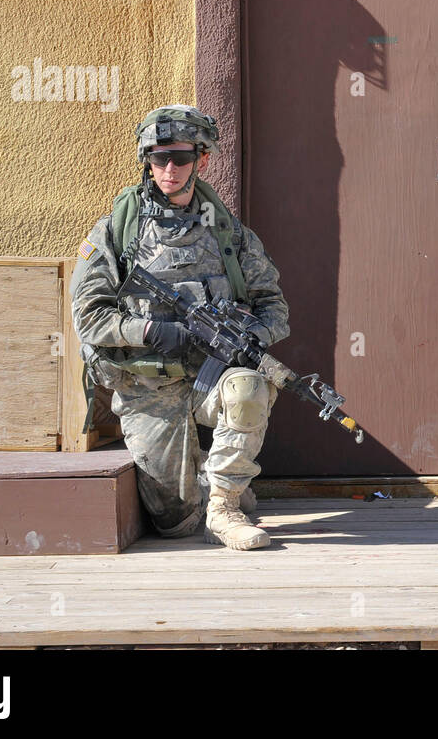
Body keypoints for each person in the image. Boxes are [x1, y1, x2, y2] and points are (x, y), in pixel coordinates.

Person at [71, 106, 290, 549]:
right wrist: (151, 332)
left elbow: (275, 308)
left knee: (249, 388)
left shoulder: (228, 233)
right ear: (147, 161)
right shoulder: (118, 231)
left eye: (181, 158)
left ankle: (224, 506)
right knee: (175, 520)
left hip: (210, 378)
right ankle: (208, 478)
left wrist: (249, 338)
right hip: (147, 384)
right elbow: (89, 316)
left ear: (202, 160)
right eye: (159, 158)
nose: (169, 169)